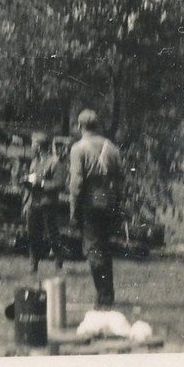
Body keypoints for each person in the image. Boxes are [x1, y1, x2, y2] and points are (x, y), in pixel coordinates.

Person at [68, 109, 124, 309]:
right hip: (109, 202)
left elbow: (76, 183)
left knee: (92, 249)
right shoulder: (112, 147)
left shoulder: (78, 148)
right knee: (104, 248)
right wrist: (117, 205)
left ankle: (104, 295)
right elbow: (120, 180)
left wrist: (73, 209)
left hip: (90, 203)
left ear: (80, 126)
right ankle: (106, 294)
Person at [24, 132, 66, 273]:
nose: (31, 146)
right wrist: (26, 181)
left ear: (40, 146)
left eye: (33, 143)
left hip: (48, 204)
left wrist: (41, 183)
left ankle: (58, 262)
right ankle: (33, 264)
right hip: (34, 203)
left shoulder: (55, 162)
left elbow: (60, 184)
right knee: (32, 235)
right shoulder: (34, 162)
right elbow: (31, 179)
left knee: (52, 234)